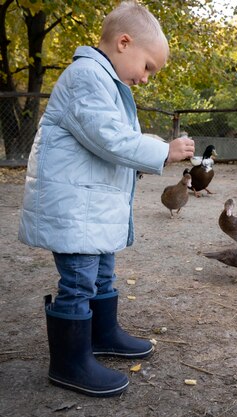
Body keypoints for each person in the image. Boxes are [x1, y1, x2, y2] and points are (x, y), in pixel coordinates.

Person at [18, 1, 195, 397]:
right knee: (79, 283)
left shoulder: (104, 82)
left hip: (91, 209)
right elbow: (109, 138)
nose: (147, 79)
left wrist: (157, 146)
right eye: (147, 67)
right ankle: (69, 362)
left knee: (100, 274)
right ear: (124, 43)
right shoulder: (86, 77)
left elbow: (115, 135)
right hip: (75, 208)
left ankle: (102, 333)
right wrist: (163, 151)